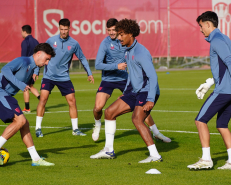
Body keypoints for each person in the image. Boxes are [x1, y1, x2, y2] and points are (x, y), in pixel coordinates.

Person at [90, 19, 163, 163]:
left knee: (137, 119)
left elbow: (153, 77)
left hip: (146, 91)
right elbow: (132, 75)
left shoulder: (140, 52)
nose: (118, 38)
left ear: (131, 34)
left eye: (122, 35)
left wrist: (150, 99)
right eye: (118, 34)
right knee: (109, 112)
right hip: (134, 92)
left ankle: (155, 155)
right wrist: (126, 93)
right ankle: (108, 150)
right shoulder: (128, 50)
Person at [187, 11, 231, 171]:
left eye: (201, 26)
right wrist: (209, 82)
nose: (200, 30)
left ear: (208, 24)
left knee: (200, 121)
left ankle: (206, 160)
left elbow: (229, 61)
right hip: (229, 91)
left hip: (224, 90)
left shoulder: (216, 40)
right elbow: (222, 67)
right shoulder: (224, 38)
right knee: (222, 125)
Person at [0, 43, 55, 166]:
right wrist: (20, 84)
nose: (47, 63)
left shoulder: (32, 67)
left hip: (3, 96)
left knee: (25, 124)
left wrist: (36, 73)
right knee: (20, 121)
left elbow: (30, 82)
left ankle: (36, 159)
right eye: (47, 59)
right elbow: (5, 70)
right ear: (39, 53)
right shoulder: (23, 61)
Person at [35, 18, 94, 138]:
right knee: (43, 100)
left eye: (65, 29)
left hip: (64, 77)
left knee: (72, 101)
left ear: (69, 29)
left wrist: (89, 73)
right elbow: (41, 55)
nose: (63, 32)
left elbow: (82, 58)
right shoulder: (51, 40)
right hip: (49, 76)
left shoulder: (74, 43)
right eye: (61, 29)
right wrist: (36, 70)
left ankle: (75, 129)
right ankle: (38, 128)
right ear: (59, 28)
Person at [21, 25, 40, 113]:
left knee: (25, 86)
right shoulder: (36, 41)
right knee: (30, 86)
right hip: (35, 66)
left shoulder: (25, 42)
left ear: (24, 32)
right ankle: (42, 99)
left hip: (27, 68)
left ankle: (27, 108)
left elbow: (23, 57)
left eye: (22, 31)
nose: (21, 33)